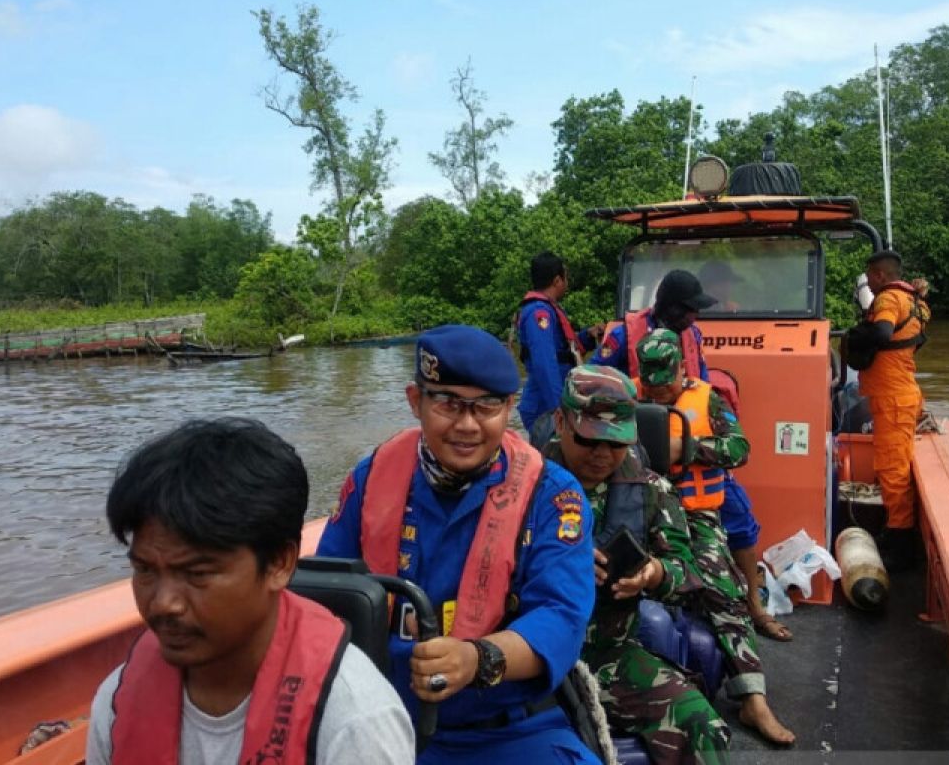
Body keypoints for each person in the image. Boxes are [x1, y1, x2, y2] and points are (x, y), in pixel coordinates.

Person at [316, 324, 601, 765]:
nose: (467, 425)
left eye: (486, 406)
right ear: (416, 401)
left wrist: (477, 658)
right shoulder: (371, 479)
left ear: (510, 408)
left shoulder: (553, 495)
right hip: (382, 717)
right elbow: (327, 591)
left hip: (507, 726)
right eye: (448, 403)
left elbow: (562, 616)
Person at [86, 418, 414, 765]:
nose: (164, 603)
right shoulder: (117, 701)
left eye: (196, 574)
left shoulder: (353, 723)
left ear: (279, 563)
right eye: (145, 570)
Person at [537, 364, 730, 764]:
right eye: (589, 441)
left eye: (617, 443)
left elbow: (687, 571)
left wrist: (654, 574)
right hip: (529, 652)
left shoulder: (650, 491)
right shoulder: (518, 485)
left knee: (701, 724)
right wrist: (551, 567)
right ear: (560, 421)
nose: (603, 455)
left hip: (609, 655)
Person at [635, 330, 795, 746]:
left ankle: (752, 698)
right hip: (642, 510)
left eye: (664, 381)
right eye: (649, 382)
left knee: (723, 590)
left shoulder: (706, 399)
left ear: (681, 369)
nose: (656, 390)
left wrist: (686, 448)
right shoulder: (627, 398)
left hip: (695, 514)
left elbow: (739, 448)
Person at [853, 250, 931, 571]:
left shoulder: (888, 301)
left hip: (893, 398)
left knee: (893, 471)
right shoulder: (918, 302)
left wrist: (858, 337)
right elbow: (916, 340)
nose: (869, 281)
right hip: (900, 391)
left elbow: (883, 332)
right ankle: (894, 530)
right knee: (891, 466)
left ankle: (901, 546)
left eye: (870, 276)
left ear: (880, 276)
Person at [514, 251, 603, 431]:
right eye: (566, 277)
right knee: (551, 456)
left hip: (552, 399)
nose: (567, 282)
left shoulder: (548, 309)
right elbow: (544, 363)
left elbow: (564, 350)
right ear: (557, 280)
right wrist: (558, 408)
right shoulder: (539, 313)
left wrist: (587, 336)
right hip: (544, 404)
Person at [590, 269, 712, 382]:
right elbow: (591, 374)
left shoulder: (694, 335)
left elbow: (704, 381)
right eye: (693, 309)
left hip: (685, 405)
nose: (697, 314)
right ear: (675, 309)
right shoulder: (622, 336)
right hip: (638, 403)